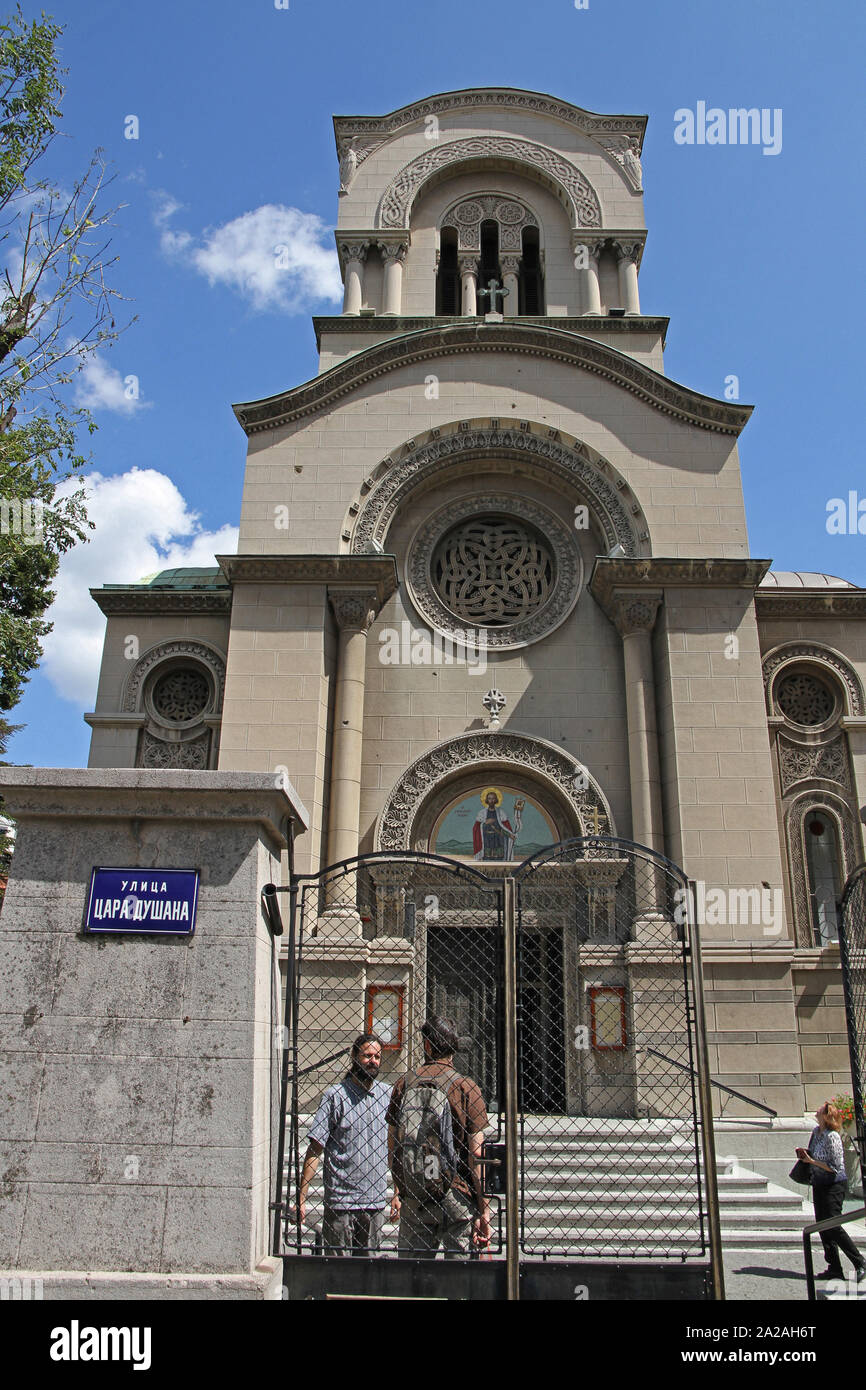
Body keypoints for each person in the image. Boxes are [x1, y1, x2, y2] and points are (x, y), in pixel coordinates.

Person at [388, 1016, 491, 1258]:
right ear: (454, 1047)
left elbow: (393, 1145)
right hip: (455, 1193)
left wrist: (400, 1188)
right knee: (461, 1276)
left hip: (415, 1195)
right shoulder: (466, 1087)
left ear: (426, 1045)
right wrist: (484, 1208)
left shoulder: (404, 1084)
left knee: (413, 1278)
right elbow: (477, 1154)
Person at [294, 1033, 399, 1256]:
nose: (373, 1061)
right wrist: (301, 1197)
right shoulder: (335, 1096)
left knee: (368, 1272)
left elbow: (394, 1148)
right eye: (367, 1055)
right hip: (341, 1201)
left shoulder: (387, 1095)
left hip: (375, 1200)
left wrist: (397, 1193)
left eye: (377, 1057)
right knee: (337, 1270)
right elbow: (315, 1148)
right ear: (354, 1056)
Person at [795, 1099, 866, 1283]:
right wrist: (805, 1156)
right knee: (822, 1226)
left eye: (820, 1109)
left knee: (833, 1224)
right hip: (819, 1183)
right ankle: (834, 1268)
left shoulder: (832, 1136)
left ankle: (860, 1262)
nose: (816, 1110)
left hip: (834, 1184)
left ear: (826, 1116)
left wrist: (811, 1162)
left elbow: (834, 1166)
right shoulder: (816, 1132)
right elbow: (813, 1153)